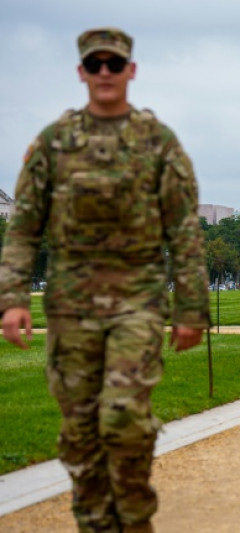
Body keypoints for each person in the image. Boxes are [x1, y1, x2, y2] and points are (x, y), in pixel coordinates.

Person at [0, 27, 209, 533]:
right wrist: (12, 297)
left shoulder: (158, 143)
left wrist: (191, 307)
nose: (105, 73)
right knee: (80, 433)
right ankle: (95, 521)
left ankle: (136, 517)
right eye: (95, 64)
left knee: (123, 418)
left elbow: (183, 230)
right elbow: (24, 226)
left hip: (137, 301)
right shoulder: (53, 144)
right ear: (82, 72)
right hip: (71, 307)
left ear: (130, 70)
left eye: (114, 64)